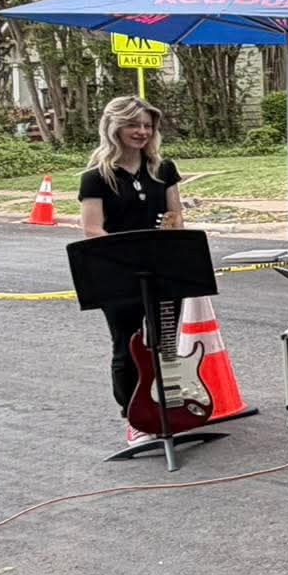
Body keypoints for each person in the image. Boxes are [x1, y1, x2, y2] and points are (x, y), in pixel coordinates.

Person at [79, 95, 186, 423]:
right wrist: (126, 258)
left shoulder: (163, 169)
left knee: (165, 343)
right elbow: (92, 229)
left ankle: (168, 408)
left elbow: (175, 216)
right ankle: (134, 416)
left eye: (147, 126)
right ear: (114, 128)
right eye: (133, 125)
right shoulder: (96, 176)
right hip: (118, 273)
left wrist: (171, 242)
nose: (141, 131)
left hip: (162, 271)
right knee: (126, 345)